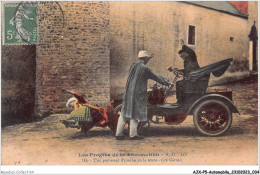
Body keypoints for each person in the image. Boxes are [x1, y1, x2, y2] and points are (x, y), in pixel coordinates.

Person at [115, 51, 171, 140]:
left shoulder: (133, 65)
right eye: (147, 59)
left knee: (124, 113)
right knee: (135, 113)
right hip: (138, 94)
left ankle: (118, 134)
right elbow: (155, 76)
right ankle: (133, 135)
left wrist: (149, 57)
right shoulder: (144, 68)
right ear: (145, 59)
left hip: (128, 92)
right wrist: (167, 82)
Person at [176, 40, 200, 104]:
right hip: (190, 79)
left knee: (180, 84)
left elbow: (192, 52)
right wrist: (179, 70)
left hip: (194, 80)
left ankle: (180, 101)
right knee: (178, 83)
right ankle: (179, 101)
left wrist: (183, 46)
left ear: (185, 53)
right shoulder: (186, 61)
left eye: (181, 55)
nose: (181, 57)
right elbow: (186, 70)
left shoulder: (192, 58)